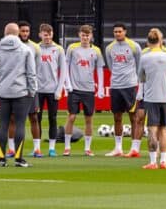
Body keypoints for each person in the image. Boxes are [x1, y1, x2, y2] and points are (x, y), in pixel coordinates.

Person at [0, 23, 37, 167]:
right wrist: (32, 90)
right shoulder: (25, 49)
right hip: (21, 92)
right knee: (20, 124)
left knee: (3, 124)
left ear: (5, 33)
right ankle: (18, 158)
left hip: (4, 92)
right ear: (17, 33)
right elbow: (31, 73)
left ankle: (1, 158)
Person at [64, 25, 105, 157]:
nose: (85, 37)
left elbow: (99, 69)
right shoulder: (72, 48)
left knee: (89, 118)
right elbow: (66, 65)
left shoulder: (96, 51)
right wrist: (67, 83)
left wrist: (100, 88)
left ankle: (87, 148)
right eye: (83, 35)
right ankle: (67, 146)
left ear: (91, 36)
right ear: (79, 35)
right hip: (74, 89)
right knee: (71, 116)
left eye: (87, 35)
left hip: (88, 89)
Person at [138, 28, 166, 169]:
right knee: (163, 129)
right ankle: (164, 161)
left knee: (152, 130)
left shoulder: (145, 57)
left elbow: (140, 76)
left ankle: (153, 162)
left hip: (151, 96)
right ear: (161, 40)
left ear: (148, 42)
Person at [104, 23, 142, 158]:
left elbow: (139, 65)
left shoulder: (134, 46)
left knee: (133, 117)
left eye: (120, 31)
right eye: (115, 32)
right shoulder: (109, 48)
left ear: (125, 32)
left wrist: (137, 83)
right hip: (115, 86)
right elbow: (110, 66)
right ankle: (118, 148)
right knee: (117, 117)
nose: (117, 34)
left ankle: (134, 148)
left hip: (130, 86)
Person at [36, 23, 69, 157]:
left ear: (52, 35)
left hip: (52, 90)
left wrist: (59, 89)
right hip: (38, 90)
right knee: (36, 118)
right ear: (40, 35)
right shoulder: (36, 48)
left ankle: (51, 148)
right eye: (45, 35)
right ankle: (36, 147)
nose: (47, 37)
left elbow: (63, 70)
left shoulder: (59, 49)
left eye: (49, 35)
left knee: (52, 118)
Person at [17, 21, 44, 158]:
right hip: (16, 87)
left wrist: (32, 85)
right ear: (17, 32)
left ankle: (37, 149)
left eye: (27, 31)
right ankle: (12, 149)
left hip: (30, 88)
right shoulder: (12, 46)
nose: (25, 34)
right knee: (13, 119)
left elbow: (37, 68)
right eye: (23, 31)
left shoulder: (35, 47)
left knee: (34, 117)